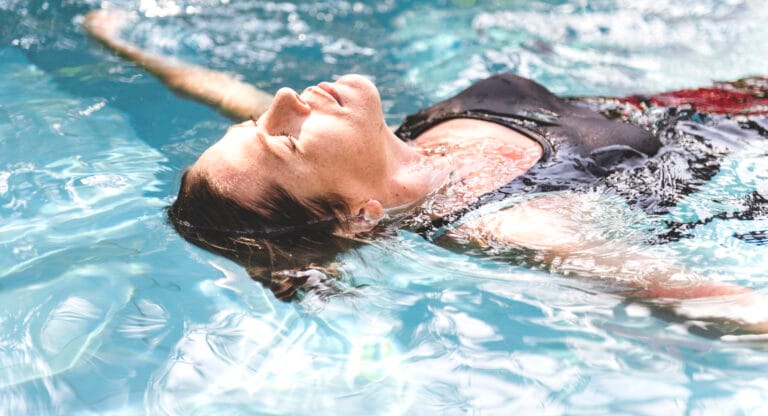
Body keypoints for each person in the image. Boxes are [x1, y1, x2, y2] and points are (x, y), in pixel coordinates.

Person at [85, 9, 768, 337]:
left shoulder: (386, 143)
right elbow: (696, 296)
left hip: (723, 99)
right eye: (286, 144)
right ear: (360, 213)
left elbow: (220, 90)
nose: (285, 105)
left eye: (258, 124)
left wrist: (122, 45)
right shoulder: (513, 222)